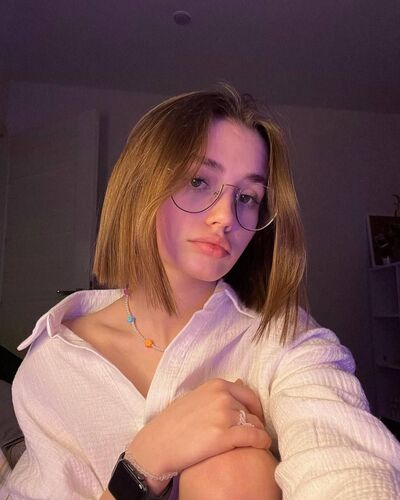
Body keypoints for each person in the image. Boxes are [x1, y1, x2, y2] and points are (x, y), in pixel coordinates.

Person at [4, 84, 400, 500]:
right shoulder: (57, 360)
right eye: (197, 180)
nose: (225, 216)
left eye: (247, 196)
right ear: (140, 187)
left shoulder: (284, 338)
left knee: (232, 466)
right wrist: (142, 464)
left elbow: (341, 452)